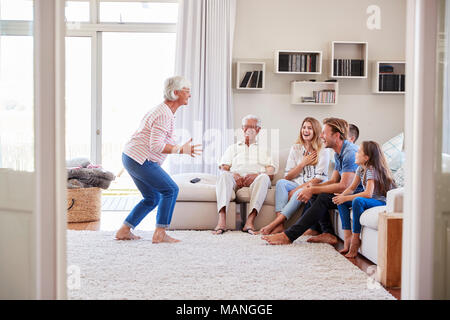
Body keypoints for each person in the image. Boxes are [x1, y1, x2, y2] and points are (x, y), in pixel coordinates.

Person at [115, 76, 202, 243]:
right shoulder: (164, 114)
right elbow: (156, 145)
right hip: (140, 159)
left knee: (152, 197)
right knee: (170, 190)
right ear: (176, 93)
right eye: (187, 91)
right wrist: (180, 149)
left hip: (131, 157)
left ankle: (124, 230)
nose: (189, 95)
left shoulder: (163, 111)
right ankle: (160, 233)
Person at [262, 117, 363, 246]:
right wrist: (310, 189)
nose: (321, 136)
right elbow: (333, 180)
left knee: (321, 196)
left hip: (356, 195)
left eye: (324, 133)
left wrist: (312, 189)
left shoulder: (349, 152)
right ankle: (327, 233)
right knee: (316, 194)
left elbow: (343, 186)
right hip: (346, 193)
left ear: (336, 135)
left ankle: (289, 236)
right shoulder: (339, 153)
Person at [258, 117, 330, 235]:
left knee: (298, 192)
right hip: (299, 182)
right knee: (281, 183)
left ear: (316, 131)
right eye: (304, 127)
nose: (305, 130)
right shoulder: (296, 148)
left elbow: (319, 178)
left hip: (315, 184)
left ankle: (274, 224)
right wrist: (302, 163)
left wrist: (297, 189)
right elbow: (287, 176)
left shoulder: (323, 150)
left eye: (309, 128)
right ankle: (280, 225)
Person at [213, 114, 277, 235]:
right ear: (242, 129)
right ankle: (221, 221)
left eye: (251, 127)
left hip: (255, 180)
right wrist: (232, 174)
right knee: (224, 175)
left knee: (263, 177)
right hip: (235, 179)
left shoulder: (265, 149)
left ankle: (249, 222)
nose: (247, 129)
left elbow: (271, 172)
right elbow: (223, 168)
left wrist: (257, 174)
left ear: (258, 130)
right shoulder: (232, 148)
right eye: (245, 127)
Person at [332, 141, 396, 258]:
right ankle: (348, 238)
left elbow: (368, 194)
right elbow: (351, 188)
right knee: (342, 201)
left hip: (381, 201)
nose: (355, 153)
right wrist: (341, 197)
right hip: (371, 199)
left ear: (366, 158)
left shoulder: (371, 169)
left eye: (358, 152)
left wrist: (345, 197)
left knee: (357, 200)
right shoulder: (360, 169)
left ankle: (355, 240)